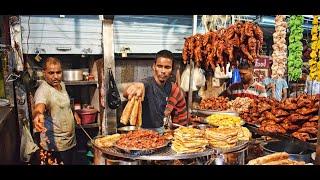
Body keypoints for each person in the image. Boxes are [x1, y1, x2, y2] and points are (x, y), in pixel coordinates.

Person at [123, 50, 188, 133]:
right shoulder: (147, 84)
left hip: (160, 131)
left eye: (167, 67)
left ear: (172, 69)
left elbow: (181, 116)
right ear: (154, 67)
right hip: (142, 132)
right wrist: (134, 87)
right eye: (159, 66)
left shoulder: (171, 88)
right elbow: (127, 92)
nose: (163, 71)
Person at [32, 57, 81, 165]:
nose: (55, 76)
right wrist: (38, 115)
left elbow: (65, 104)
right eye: (51, 73)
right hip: (55, 146)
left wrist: (74, 113)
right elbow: (39, 107)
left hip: (69, 141)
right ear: (44, 73)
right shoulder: (43, 91)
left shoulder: (61, 85)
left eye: (58, 72)